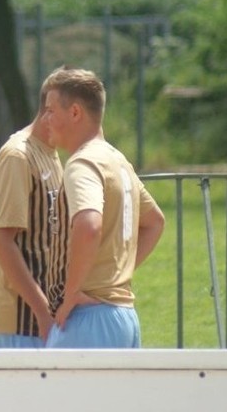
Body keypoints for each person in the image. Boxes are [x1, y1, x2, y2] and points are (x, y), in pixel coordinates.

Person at [41, 66, 165, 348]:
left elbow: (88, 226)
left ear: (74, 113)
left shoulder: (82, 164)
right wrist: (117, 277)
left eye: (50, 110)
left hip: (88, 319)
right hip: (123, 315)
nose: (45, 119)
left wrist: (70, 295)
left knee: (57, 393)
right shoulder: (117, 159)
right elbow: (154, 222)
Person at [0, 72, 66, 348]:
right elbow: (1, 242)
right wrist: (42, 310)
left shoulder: (51, 154)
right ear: (50, 112)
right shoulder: (18, 157)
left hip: (43, 318)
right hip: (23, 320)